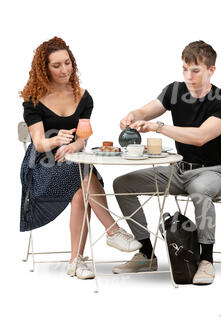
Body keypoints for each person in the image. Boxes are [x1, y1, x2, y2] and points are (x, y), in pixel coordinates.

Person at [112, 40, 221, 285]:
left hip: (213, 173)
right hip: (179, 171)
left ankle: (206, 260)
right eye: (184, 69)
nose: (188, 76)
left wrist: (160, 128)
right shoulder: (174, 90)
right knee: (122, 184)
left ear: (211, 70)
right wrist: (133, 116)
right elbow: (146, 111)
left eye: (196, 70)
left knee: (201, 191)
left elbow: (200, 137)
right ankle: (146, 253)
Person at [19, 37, 141, 280]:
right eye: (57, 65)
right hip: (42, 166)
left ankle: (76, 261)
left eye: (67, 63)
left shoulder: (83, 97)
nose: (64, 70)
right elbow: (39, 142)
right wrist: (57, 141)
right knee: (83, 173)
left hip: (74, 163)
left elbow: (83, 138)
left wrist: (74, 146)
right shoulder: (33, 100)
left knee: (80, 187)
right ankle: (113, 230)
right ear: (44, 69)